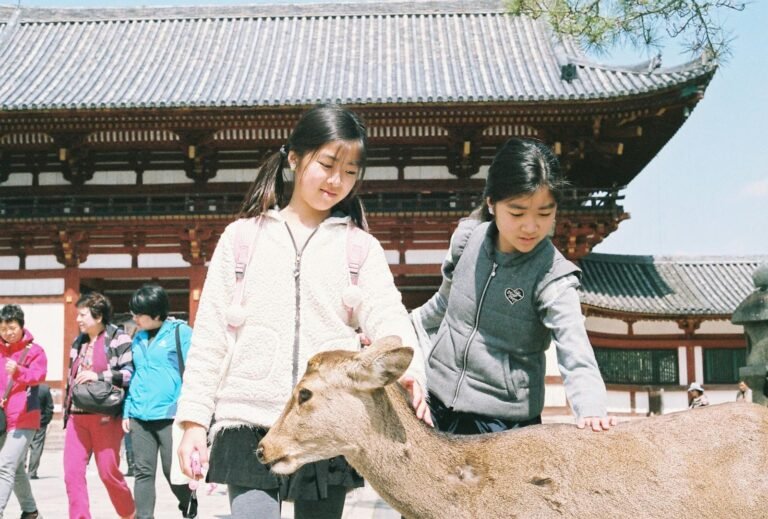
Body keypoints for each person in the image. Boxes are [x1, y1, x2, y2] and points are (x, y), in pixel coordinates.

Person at [175, 104, 429, 519]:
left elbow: (388, 315)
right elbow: (210, 339)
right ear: (293, 157)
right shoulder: (242, 239)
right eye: (327, 164)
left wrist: (409, 371)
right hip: (248, 417)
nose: (337, 180)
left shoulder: (359, 248)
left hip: (325, 422)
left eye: (350, 171)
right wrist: (192, 424)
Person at [412, 137, 615, 436]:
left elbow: (575, 348)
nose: (531, 226)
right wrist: (390, 332)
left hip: (502, 424)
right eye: (518, 213)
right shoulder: (467, 239)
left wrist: (592, 409)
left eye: (544, 214)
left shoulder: (553, 277)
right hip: (436, 402)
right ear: (491, 203)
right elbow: (442, 305)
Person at [122, 284, 195, 518]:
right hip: (139, 415)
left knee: (171, 469)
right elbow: (135, 375)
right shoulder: (138, 337)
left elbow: (196, 370)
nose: (134, 318)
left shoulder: (181, 333)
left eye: (138, 314)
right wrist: (127, 410)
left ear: (155, 313)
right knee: (143, 471)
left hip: (170, 414)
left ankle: (188, 503)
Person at [63, 292, 135, 519]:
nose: (79, 319)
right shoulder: (79, 341)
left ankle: (130, 514)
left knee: (108, 473)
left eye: (83, 314)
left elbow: (128, 374)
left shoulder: (118, 338)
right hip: (77, 416)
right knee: (72, 473)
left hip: (105, 417)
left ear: (99, 315)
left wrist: (98, 376)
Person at [0, 304, 47, 519]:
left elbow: (39, 375)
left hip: (24, 417)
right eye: (2, 328)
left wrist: (18, 370)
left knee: (5, 466)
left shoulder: (34, 350)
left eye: (11, 327)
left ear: (21, 325)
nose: (7, 332)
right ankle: (30, 511)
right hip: (2, 418)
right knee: (16, 469)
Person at [25, 382, 53, 480]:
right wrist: (46, 420)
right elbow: (49, 407)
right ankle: (32, 472)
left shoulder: (25, 386)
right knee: (37, 447)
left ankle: (20, 470)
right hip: (40, 421)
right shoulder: (44, 389)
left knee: (23, 446)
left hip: (25, 421)